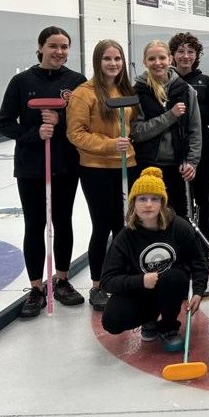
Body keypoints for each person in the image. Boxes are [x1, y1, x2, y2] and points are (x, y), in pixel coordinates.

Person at [0, 26, 87, 317]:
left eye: (64, 46)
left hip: (65, 164)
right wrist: (36, 132)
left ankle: (62, 280)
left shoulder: (77, 82)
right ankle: (36, 288)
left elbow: (84, 120)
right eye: (53, 46)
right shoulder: (21, 82)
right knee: (35, 225)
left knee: (63, 222)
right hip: (31, 167)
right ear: (40, 48)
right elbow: (6, 123)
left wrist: (61, 121)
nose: (59, 52)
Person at [99, 167, 209, 352]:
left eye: (154, 199)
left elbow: (199, 262)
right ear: (134, 203)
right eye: (142, 199)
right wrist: (140, 280)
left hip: (171, 288)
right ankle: (148, 320)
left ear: (162, 203)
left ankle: (168, 327)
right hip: (141, 291)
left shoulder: (178, 227)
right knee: (112, 320)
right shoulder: (125, 237)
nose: (148, 204)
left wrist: (198, 291)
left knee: (174, 276)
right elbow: (107, 281)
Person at [67, 39, 139, 312]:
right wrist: (110, 144)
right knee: (102, 226)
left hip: (127, 165)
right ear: (98, 62)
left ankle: (122, 279)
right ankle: (97, 285)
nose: (113, 64)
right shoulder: (83, 93)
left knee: (125, 226)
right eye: (107, 59)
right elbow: (75, 133)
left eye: (117, 59)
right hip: (96, 168)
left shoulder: (125, 89)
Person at [131, 40, 201, 218]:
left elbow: (194, 129)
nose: (157, 62)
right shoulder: (136, 92)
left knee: (177, 218)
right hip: (147, 165)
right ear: (144, 62)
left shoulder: (186, 91)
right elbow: (138, 132)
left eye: (162, 57)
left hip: (178, 167)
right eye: (152, 58)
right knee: (149, 217)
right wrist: (170, 115)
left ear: (170, 59)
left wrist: (192, 161)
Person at [169, 32, 209, 243]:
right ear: (172, 55)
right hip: (172, 149)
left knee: (202, 197)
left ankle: (205, 244)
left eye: (190, 51)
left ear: (197, 55)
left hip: (202, 149)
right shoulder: (166, 81)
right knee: (176, 200)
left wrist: (191, 108)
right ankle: (180, 245)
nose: (185, 56)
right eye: (180, 51)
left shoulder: (205, 81)